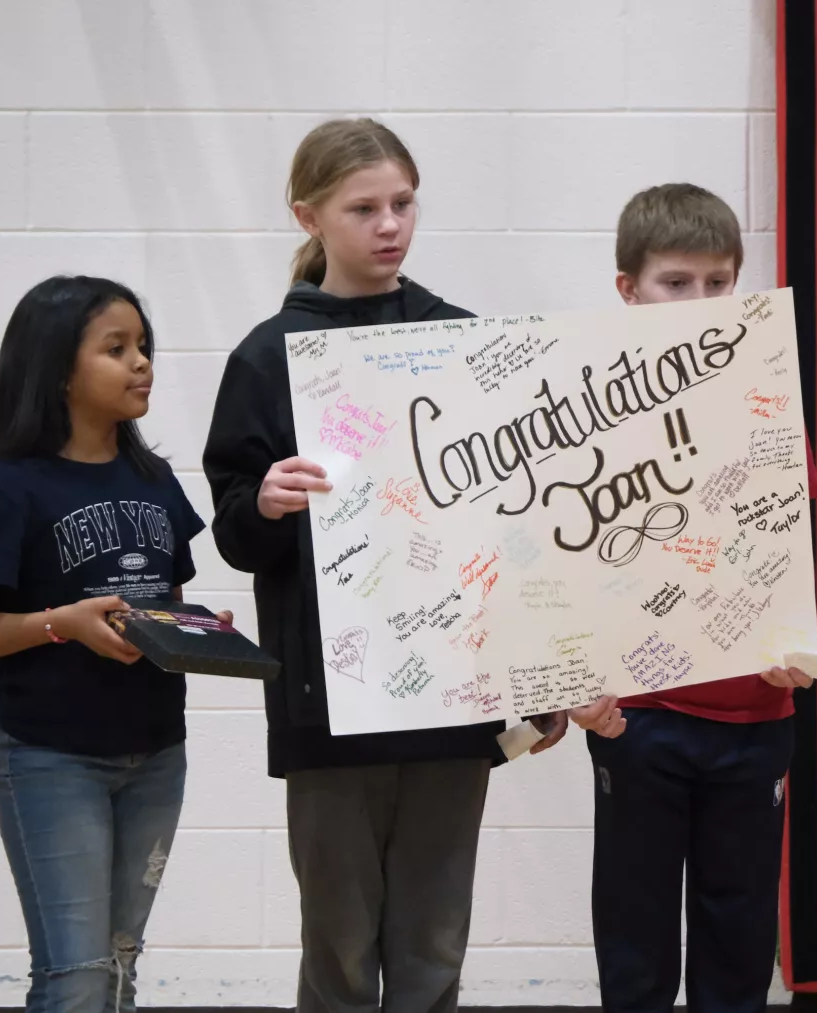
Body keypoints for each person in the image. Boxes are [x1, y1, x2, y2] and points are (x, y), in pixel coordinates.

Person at [203, 118, 563, 1013]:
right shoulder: (265, 357)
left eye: (402, 203)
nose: (390, 224)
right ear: (309, 217)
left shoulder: (463, 340)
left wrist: (543, 673)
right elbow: (233, 534)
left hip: (452, 697)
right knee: (339, 949)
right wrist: (268, 503)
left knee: (435, 946)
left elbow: (512, 526)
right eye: (364, 207)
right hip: (330, 704)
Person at [570, 183, 817, 1013]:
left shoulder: (766, 397)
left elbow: (790, 548)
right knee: (636, 949)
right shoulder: (591, 410)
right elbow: (562, 567)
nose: (701, 301)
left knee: (738, 945)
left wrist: (797, 647)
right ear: (628, 290)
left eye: (719, 282)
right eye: (676, 282)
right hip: (638, 719)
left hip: (756, 721)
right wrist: (571, 679)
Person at [0, 276, 222, 1013]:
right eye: (117, 348)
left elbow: (172, 604)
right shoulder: (8, 488)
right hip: (50, 756)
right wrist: (59, 622)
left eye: (144, 347)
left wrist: (202, 635)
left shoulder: (154, 478)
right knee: (78, 974)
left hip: (158, 751)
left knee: (121, 969)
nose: (142, 364)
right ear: (60, 369)